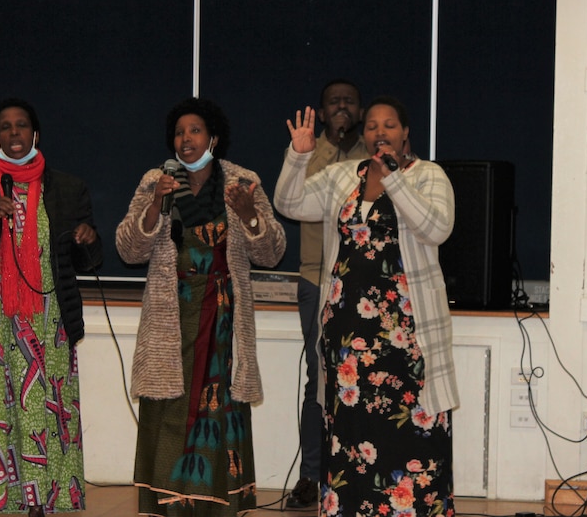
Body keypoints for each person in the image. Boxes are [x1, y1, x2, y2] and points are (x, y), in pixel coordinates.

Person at [275, 96, 459, 517]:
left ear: (405, 132)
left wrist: (392, 179)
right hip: (346, 339)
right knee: (351, 435)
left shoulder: (429, 175)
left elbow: (436, 228)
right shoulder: (343, 176)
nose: (380, 132)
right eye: (372, 125)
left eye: (389, 125)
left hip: (408, 338)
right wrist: (298, 158)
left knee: (413, 434)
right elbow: (289, 204)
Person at [0, 98, 103, 517]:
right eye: (6, 127)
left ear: (35, 134)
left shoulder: (66, 188)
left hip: (46, 324)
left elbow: (89, 262)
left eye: (21, 126)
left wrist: (88, 239)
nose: (14, 134)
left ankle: (41, 499)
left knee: (41, 411)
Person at [116, 96, 286, 516]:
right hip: (170, 321)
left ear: (213, 136)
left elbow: (273, 252)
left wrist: (249, 217)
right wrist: (155, 203)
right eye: (179, 132)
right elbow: (128, 249)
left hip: (224, 323)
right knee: (169, 409)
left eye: (194, 131)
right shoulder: (156, 181)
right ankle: (171, 504)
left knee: (219, 407)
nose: (185, 139)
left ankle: (219, 505)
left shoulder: (243, 182)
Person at [287, 79, 369, 509]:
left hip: (363, 285)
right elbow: (291, 197)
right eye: (334, 101)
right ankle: (310, 476)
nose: (342, 106)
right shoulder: (308, 151)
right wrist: (309, 151)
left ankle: (356, 472)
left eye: (349, 101)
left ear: (360, 110)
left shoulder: (375, 155)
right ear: (321, 112)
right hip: (316, 281)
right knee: (317, 381)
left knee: (362, 380)